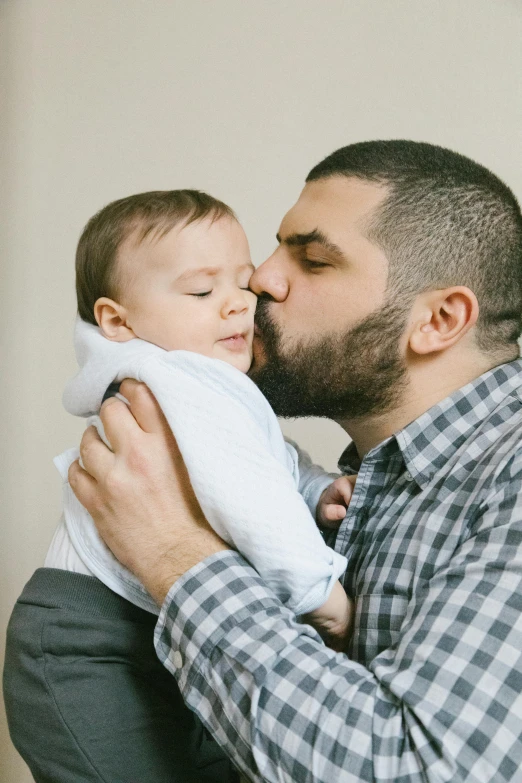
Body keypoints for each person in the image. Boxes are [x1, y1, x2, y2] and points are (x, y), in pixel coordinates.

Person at [67, 140, 522, 782]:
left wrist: (175, 554)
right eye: (276, 248)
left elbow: (417, 769)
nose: (260, 280)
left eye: (312, 260)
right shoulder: (356, 482)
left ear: (439, 320)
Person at [3, 189, 355, 783]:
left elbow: (262, 460)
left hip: (158, 630)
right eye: (201, 291)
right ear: (118, 320)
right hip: (87, 648)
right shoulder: (176, 378)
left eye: (243, 285)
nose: (237, 307)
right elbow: (245, 493)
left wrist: (315, 487)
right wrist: (320, 594)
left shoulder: (198, 380)